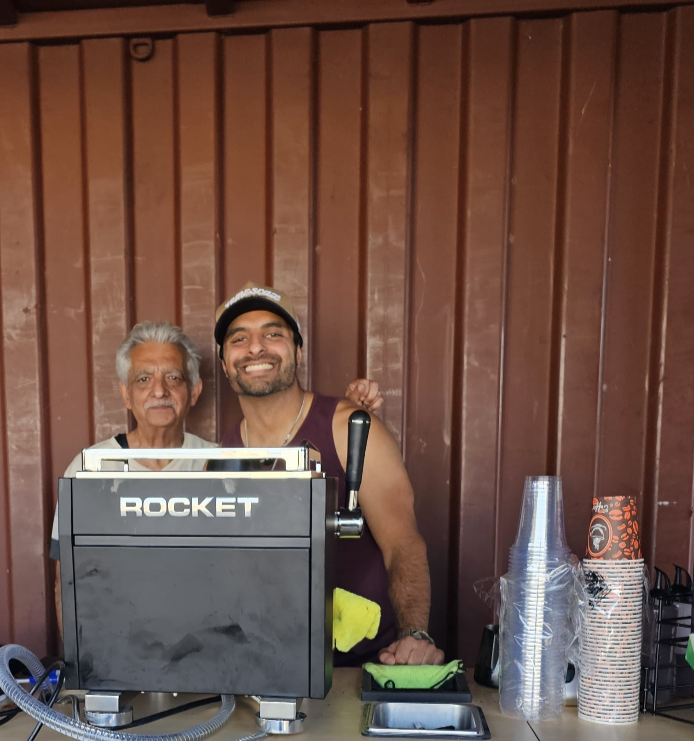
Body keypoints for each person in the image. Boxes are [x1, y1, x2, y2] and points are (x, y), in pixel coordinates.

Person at [50, 320, 385, 628]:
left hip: (203, 646)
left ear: (194, 391)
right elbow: (67, 581)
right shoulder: (89, 468)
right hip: (118, 644)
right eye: (143, 379)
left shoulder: (220, 462)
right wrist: (81, 661)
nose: (159, 390)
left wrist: (347, 410)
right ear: (125, 393)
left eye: (174, 378)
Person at [215, 284, 443, 666]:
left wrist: (413, 636)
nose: (255, 348)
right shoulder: (224, 454)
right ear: (224, 363)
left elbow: (402, 544)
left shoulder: (348, 428)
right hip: (270, 667)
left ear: (298, 352)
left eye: (273, 334)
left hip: (362, 665)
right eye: (239, 339)